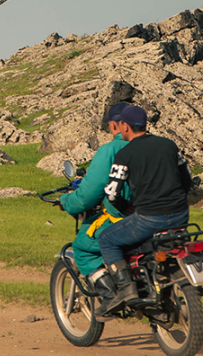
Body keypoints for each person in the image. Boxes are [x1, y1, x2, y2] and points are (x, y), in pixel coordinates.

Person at [96, 104, 193, 316]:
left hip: (150, 218)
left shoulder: (124, 153)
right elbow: (187, 180)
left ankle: (125, 289)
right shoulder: (168, 145)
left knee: (106, 239)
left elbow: (112, 193)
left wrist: (126, 208)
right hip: (180, 214)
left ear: (125, 127)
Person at [57, 102, 133, 298]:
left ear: (116, 125)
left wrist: (66, 202)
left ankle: (112, 297)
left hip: (126, 217)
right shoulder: (156, 145)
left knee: (83, 246)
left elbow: (88, 195)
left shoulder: (110, 150)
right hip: (165, 214)